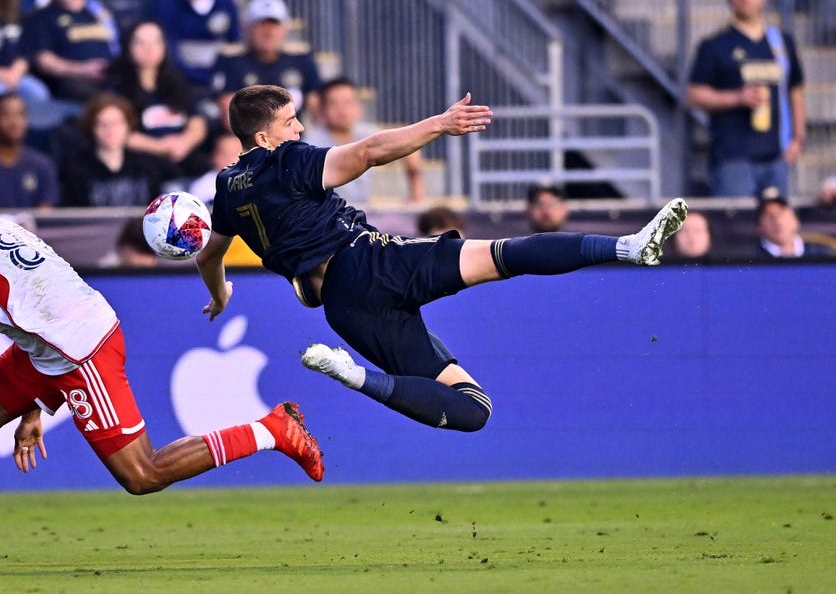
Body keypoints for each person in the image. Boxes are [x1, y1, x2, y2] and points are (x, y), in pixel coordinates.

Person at [196, 85, 689, 434]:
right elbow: (368, 151)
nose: (301, 128)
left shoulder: (227, 187)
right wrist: (441, 123)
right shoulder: (289, 160)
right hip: (368, 263)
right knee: (506, 255)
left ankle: (354, 376)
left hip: (345, 309)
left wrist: (220, 295)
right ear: (263, 138)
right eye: (289, 122)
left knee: (473, 409)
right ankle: (627, 246)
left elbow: (209, 257)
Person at [0, 169, 323, 569]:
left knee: (143, 474)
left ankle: (271, 429)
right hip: (57, 338)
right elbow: (25, 301)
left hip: (79, 349)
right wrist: (30, 406)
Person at [687, 0, 805, 199]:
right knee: (736, 229)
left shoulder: (781, 43)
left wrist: (798, 138)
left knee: (778, 228)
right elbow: (693, 95)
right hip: (733, 158)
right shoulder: (714, 45)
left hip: (776, 157)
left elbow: (795, 90)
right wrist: (737, 97)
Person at [104, 19, 209, 180]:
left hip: (183, 155)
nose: (149, 49)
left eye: (156, 42)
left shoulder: (179, 84)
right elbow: (117, 133)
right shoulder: (117, 89)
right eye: (140, 43)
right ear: (127, 47)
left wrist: (184, 142)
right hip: (142, 161)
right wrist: (159, 147)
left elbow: (197, 123)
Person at [303, 77, 423, 206]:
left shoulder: (367, 134)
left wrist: (415, 194)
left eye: (348, 102)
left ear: (359, 107)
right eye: (334, 104)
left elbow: (407, 144)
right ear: (321, 110)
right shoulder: (311, 145)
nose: (342, 110)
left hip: (363, 211)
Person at [22, 0, 118, 103]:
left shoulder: (102, 12)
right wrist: (83, 70)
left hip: (112, 78)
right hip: (71, 82)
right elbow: (44, 61)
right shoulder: (40, 18)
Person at [212, 0, 321, 129]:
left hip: (294, 139)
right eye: (261, 26)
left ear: (284, 30)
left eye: (274, 26)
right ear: (247, 28)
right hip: (250, 140)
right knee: (228, 145)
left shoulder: (301, 60)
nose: (269, 33)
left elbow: (317, 109)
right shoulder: (232, 61)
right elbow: (229, 116)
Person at [156, 0, 241, 96]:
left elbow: (235, 45)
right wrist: (205, 78)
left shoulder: (227, 4)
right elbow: (170, 55)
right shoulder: (167, 6)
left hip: (223, 84)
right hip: (181, 85)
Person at [54, 92, 167, 207]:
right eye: (103, 124)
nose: (110, 130)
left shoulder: (146, 166)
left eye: (117, 123)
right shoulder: (77, 171)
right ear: (91, 128)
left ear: (128, 126)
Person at [0, 91, 59, 211]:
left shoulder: (43, 165)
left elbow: (46, 215)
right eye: (6, 115)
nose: (14, 122)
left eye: (20, 114)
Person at [755, 187, 836, 258]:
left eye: (782, 214)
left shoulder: (821, 253)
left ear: (795, 220)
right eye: (770, 216)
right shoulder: (749, 260)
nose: (777, 221)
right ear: (759, 226)